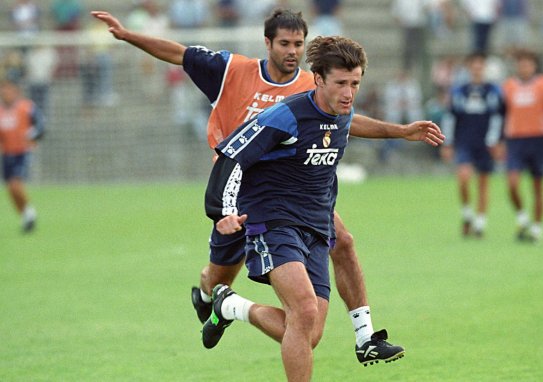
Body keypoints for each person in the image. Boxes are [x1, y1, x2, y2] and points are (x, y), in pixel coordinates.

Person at [91, 8, 444, 365]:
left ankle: (363, 336)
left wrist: (399, 131)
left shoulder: (316, 84)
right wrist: (128, 35)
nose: (292, 51)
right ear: (268, 43)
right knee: (218, 276)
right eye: (285, 43)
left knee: (342, 247)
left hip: (297, 195)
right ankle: (214, 297)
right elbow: (178, 54)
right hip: (244, 192)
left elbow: (344, 121)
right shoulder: (233, 72)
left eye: (299, 44)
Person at [202, 36, 379, 381]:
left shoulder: (340, 115)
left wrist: (403, 131)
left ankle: (230, 306)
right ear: (319, 79)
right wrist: (221, 211)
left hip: (315, 227)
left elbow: (359, 123)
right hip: (272, 222)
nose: (349, 91)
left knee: (308, 332)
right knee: (304, 308)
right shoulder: (284, 116)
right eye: (341, 83)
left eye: (355, 83)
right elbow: (232, 154)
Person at [501, 50, 543, 243]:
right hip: (515, 140)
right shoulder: (508, 87)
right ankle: (522, 217)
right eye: (521, 64)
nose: (524, 67)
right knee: (512, 183)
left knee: (537, 186)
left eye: (528, 64)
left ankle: (537, 228)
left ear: (534, 66)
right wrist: (496, 140)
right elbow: (500, 115)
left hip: (539, 139)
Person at [440, 52, 503, 237]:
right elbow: (450, 117)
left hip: (486, 143)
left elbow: (498, 118)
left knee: (483, 183)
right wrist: (447, 143)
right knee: (464, 178)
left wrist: (497, 141)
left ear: (484, 68)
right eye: (473, 65)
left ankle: (480, 224)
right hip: (465, 141)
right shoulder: (459, 91)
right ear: (468, 68)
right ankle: (467, 214)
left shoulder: (493, 91)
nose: (477, 68)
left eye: (480, 65)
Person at [0, 79, 45, 233]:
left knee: (15, 184)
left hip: (23, 152)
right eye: (3, 89)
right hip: (7, 153)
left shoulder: (26, 107)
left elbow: (41, 124)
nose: (5, 92)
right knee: (10, 189)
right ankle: (26, 214)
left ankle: (29, 213)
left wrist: (34, 134)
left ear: (16, 91)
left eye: (9, 89)